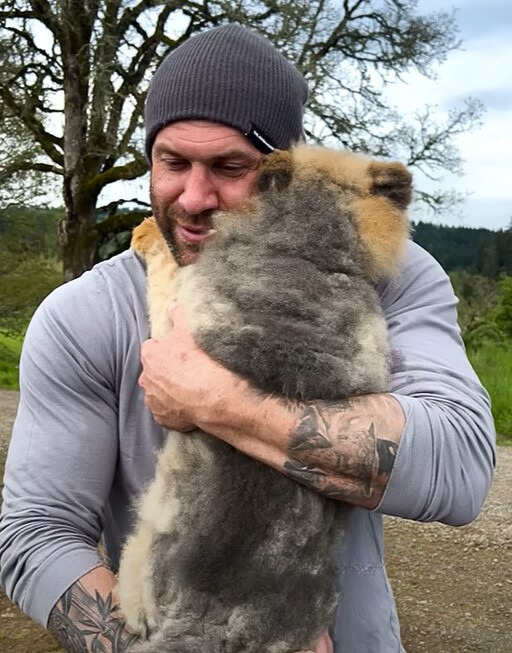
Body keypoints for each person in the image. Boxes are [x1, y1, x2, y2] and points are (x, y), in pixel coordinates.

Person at [0, 23, 495, 653]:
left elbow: (460, 468)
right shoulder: (86, 317)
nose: (195, 197)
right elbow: (35, 534)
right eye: (173, 162)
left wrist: (218, 402)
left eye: (231, 167)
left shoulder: (383, 276)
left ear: (283, 174)